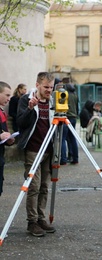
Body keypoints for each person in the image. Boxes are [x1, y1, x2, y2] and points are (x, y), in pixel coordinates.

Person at [16, 72, 56, 236]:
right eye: (46, 87)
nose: (49, 90)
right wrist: (31, 108)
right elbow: (21, 122)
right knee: (34, 186)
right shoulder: (26, 99)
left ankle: (41, 218)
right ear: (38, 84)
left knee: (45, 186)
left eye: (51, 87)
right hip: (33, 149)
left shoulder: (53, 101)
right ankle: (31, 222)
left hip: (49, 149)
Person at [0, 81, 15, 197]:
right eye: (7, 95)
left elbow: (3, 133)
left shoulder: (2, 112)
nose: (9, 99)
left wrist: (8, 140)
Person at [59, 83, 79, 165]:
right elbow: (77, 107)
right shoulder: (75, 95)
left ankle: (63, 159)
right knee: (73, 139)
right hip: (73, 118)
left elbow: (60, 103)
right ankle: (75, 158)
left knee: (62, 139)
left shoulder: (64, 94)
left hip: (66, 117)